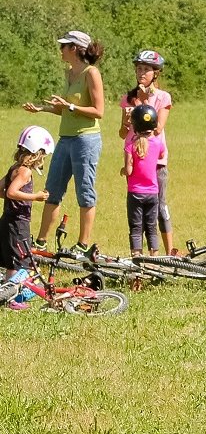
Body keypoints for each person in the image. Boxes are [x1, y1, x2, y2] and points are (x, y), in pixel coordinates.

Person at [22, 29, 105, 253]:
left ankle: (82, 245)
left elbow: (98, 111)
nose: (61, 50)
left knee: (84, 191)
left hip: (86, 140)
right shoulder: (69, 73)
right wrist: (44, 109)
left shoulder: (91, 73)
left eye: (64, 46)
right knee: (52, 190)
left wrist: (68, 106)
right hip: (65, 139)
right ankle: (40, 242)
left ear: (74, 49)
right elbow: (67, 111)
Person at [119, 50, 177, 254]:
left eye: (146, 69)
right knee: (136, 211)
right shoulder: (128, 97)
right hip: (135, 160)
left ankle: (170, 251)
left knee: (159, 206)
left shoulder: (163, 97)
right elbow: (122, 133)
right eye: (138, 69)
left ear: (156, 73)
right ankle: (139, 254)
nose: (141, 73)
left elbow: (158, 128)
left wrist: (143, 103)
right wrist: (126, 121)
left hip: (155, 160)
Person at [1, 126, 54, 278]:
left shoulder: (15, 168)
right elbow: (11, 192)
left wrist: (17, 198)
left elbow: (3, 190)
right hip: (18, 223)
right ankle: (13, 299)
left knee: (12, 259)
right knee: (17, 262)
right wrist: (35, 196)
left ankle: (8, 291)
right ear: (37, 153)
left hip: (7, 220)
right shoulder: (25, 172)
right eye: (43, 154)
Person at [124, 105, 165, 257]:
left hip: (135, 192)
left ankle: (137, 257)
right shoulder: (158, 143)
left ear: (135, 126)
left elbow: (129, 170)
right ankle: (154, 259)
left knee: (136, 227)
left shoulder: (130, 145)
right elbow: (161, 156)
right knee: (151, 227)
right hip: (152, 192)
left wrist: (123, 171)